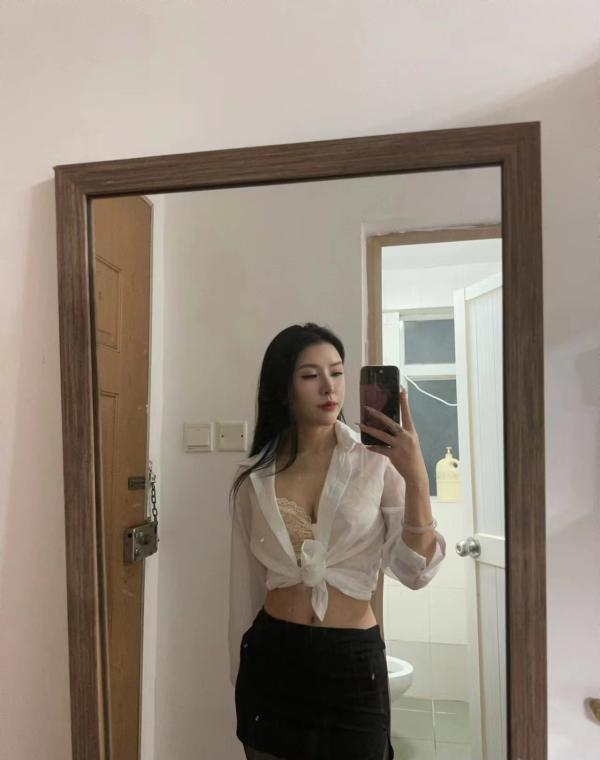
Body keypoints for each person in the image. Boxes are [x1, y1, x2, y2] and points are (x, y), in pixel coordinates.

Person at [228, 323, 446, 760]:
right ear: (283, 388)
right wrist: (237, 668)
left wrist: (417, 477)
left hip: (352, 663)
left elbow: (414, 571)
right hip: (272, 657)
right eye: (310, 375)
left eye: (337, 372)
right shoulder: (254, 477)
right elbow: (246, 586)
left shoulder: (375, 462)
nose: (329, 387)